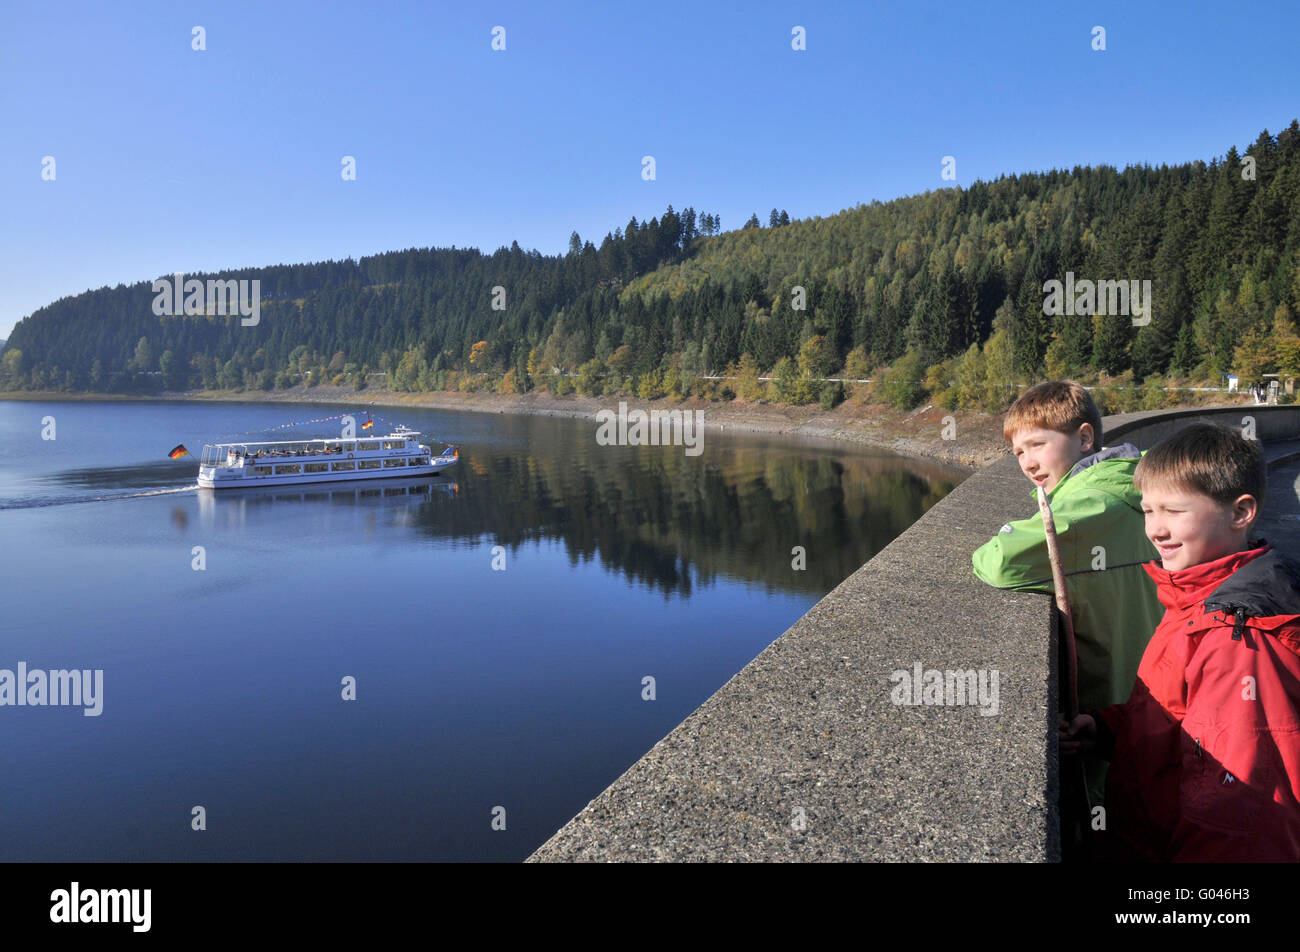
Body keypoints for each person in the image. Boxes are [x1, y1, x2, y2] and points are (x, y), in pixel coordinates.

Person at [1061, 423, 1300, 861]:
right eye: (1148, 510)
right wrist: (1110, 730)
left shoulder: (1238, 637)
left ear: (1240, 512)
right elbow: (1185, 721)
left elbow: (1239, 818)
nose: (1155, 529)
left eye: (1173, 511)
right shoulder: (1196, 597)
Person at [972, 380, 1163, 808]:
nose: (1027, 463)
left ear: (1084, 437)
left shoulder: (1092, 505)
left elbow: (1002, 560)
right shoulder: (1142, 489)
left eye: (1037, 445)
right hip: (1146, 694)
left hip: (1106, 703)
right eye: (1019, 453)